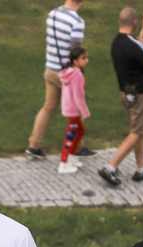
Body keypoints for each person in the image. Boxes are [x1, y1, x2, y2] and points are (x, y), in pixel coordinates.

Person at [98, 7, 143, 187]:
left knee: (138, 130)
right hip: (141, 94)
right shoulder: (134, 44)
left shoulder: (115, 43)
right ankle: (110, 166)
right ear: (134, 22)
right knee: (137, 132)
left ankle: (141, 168)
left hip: (127, 93)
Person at [22, 0, 86, 160]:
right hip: (66, 74)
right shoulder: (77, 22)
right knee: (75, 112)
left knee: (48, 107)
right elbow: (75, 52)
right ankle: (76, 148)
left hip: (50, 69)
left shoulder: (53, 14)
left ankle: (33, 146)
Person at [58, 45, 91, 175]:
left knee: (80, 131)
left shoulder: (69, 72)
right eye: (83, 58)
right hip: (73, 110)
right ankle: (63, 163)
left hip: (68, 107)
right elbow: (78, 96)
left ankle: (71, 157)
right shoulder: (77, 74)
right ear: (75, 61)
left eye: (86, 57)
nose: (86, 60)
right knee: (71, 136)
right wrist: (84, 111)